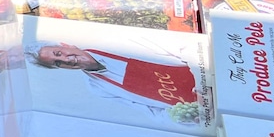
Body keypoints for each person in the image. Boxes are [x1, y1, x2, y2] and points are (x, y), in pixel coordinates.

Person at [26, 41, 201, 116]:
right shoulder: (98, 87)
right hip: (201, 106)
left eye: (58, 53)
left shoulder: (111, 44)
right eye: (57, 63)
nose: (66, 59)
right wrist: (187, 116)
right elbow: (152, 112)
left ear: (65, 45)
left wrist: (200, 78)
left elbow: (182, 49)